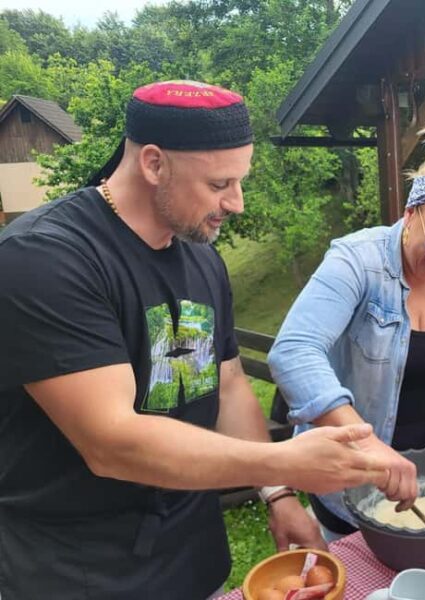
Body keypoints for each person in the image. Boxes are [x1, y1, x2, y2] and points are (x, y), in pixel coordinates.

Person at [0, 80, 391, 600]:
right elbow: (111, 442)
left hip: (192, 558)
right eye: (220, 183)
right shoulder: (44, 259)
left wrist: (277, 494)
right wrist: (285, 462)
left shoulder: (200, 255)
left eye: (240, 180)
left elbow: (227, 384)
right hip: (78, 572)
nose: (238, 203)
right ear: (154, 164)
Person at [268, 118, 425, 541]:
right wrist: (367, 443)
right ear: (411, 214)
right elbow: (294, 351)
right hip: (349, 482)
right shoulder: (356, 261)